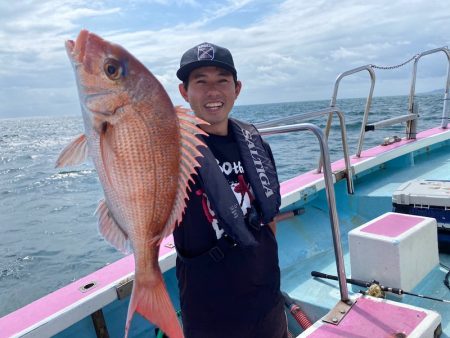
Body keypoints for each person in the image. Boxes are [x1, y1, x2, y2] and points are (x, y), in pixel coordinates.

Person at [173, 42, 287, 338]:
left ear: (237, 88)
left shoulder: (255, 143)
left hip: (265, 293)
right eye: (201, 82)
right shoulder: (172, 151)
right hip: (209, 306)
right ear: (184, 92)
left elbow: (269, 216)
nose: (213, 92)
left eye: (222, 81)